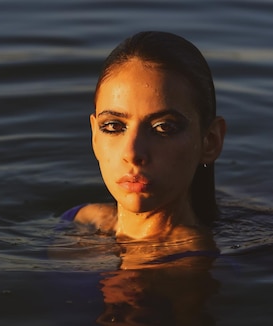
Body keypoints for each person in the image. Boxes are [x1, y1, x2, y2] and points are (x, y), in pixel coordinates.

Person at [64, 31, 226, 263]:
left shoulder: (187, 266)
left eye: (164, 128)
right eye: (113, 126)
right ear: (95, 137)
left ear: (210, 141)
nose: (133, 153)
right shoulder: (81, 220)